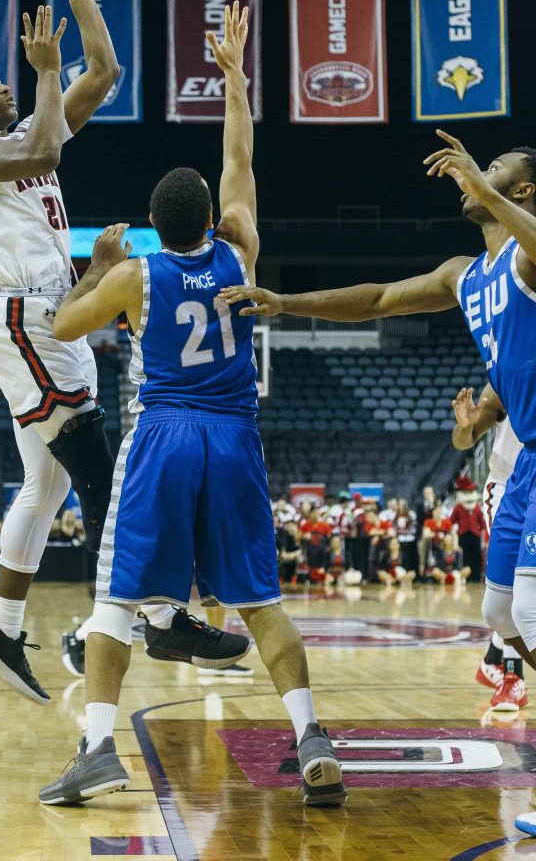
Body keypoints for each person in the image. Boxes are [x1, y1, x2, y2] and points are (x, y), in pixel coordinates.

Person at [38, 2, 346, 809]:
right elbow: (239, 153)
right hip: (235, 435)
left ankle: (98, 748)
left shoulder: (137, 276)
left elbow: (63, 325)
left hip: (164, 433)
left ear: (151, 226)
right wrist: (235, 74)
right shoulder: (240, 246)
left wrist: (96, 266)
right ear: (212, 218)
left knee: (115, 600)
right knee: (260, 600)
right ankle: (311, 733)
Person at [0, 0, 242, 703]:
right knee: (104, 476)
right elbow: (40, 143)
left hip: (46, 314)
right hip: (25, 321)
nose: (11, 85)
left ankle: (2, 625)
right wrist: (41, 70)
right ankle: (160, 615)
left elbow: (104, 73)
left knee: (48, 483)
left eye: (13, 79)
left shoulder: (18, 134)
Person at [220, 134, 536, 834]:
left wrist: (483, 192)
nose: (477, 176)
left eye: (495, 170)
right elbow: (379, 298)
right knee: (501, 616)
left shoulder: (527, 253)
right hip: (525, 457)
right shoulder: (466, 272)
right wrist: (283, 300)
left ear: (524, 192)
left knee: (533, 614)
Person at [452, 385, 528, 712]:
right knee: (514, 587)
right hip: (507, 488)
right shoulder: (505, 376)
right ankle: (511, 677)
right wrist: (466, 426)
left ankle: (491, 660)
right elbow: (462, 441)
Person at [450, 476, 485, 582]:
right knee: (464, 557)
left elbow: (482, 523)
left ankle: (476, 577)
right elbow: (451, 521)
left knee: (476, 556)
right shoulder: (458, 507)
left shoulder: (477, 507)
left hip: (475, 535)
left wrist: (483, 540)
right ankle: (466, 578)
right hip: (463, 535)